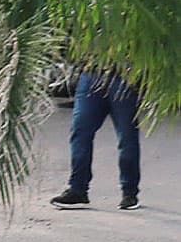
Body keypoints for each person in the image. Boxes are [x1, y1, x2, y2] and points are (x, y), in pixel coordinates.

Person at [54, 71, 143, 210]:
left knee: (127, 136)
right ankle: (77, 190)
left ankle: (129, 193)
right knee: (80, 131)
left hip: (124, 73)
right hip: (92, 73)